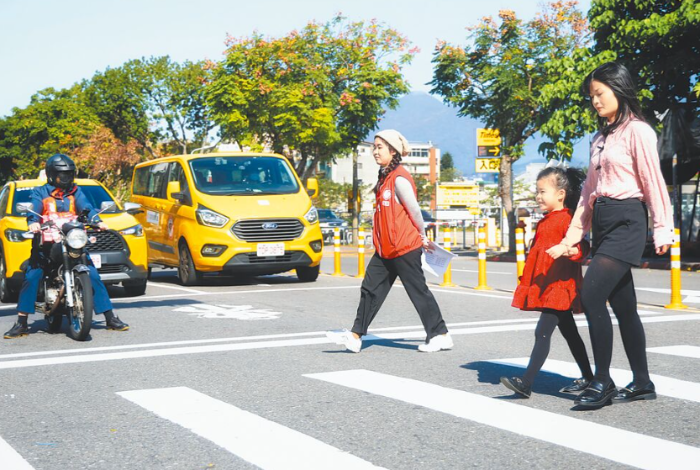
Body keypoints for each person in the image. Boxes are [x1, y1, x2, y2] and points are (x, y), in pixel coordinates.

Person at [547, 62, 674, 408]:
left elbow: (653, 181)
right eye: (592, 96)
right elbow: (590, 189)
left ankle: (601, 380)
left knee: (591, 295)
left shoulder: (639, 132)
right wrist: (571, 237)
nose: (595, 101)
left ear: (619, 89)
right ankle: (643, 382)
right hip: (603, 221)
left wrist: (663, 227)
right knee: (624, 307)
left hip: (628, 220)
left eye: (600, 94)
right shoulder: (600, 138)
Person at [326, 129, 452, 353]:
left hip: (404, 246)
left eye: (379, 147)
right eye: (374, 147)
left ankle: (440, 334)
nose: (375, 151)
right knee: (370, 289)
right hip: (385, 249)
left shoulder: (399, 178)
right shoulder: (383, 177)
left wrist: (422, 236)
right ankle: (356, 336)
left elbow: (414, 211)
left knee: (417, 291)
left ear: (392, 151)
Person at [4, 154, 129, 339]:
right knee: (32, 276)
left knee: (92, 274)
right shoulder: (41, 192)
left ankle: (110, 318)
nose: (66, 178)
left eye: (69, 174)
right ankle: (21, 322)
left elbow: (86, 207)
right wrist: (33, 222)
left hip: (71, 243)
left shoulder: (75, 192)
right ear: (51, 174)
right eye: (62, 175)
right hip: (46, 245)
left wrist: (97, 221)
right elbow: (34, 209)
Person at [500, 166, 594, 398]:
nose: (538, 196)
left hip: (560, 287)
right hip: (549, 286)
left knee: (542, 332)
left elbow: (583, 247)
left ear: (560, 194)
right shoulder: (546, 220)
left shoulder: (567, 219)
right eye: (537, 191)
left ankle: (526, 382)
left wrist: (568, 250)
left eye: (543, 191)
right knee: (570, 334)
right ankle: (590, 378)